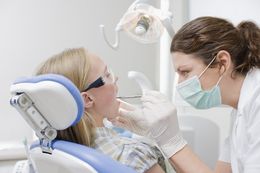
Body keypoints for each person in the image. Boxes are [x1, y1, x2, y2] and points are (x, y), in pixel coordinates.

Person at [111, 16, 260, 173]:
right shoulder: (239, 112)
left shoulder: (257, 103)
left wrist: (172, 142)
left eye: (185, 72)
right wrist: (158, 136)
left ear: (222, 63)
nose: (179, 84)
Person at [35, 47, 173, 173]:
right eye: (107, 75)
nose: (115, 78)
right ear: (88, 99)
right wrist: (167, 139)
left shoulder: (49, 153)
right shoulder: (133, 155)